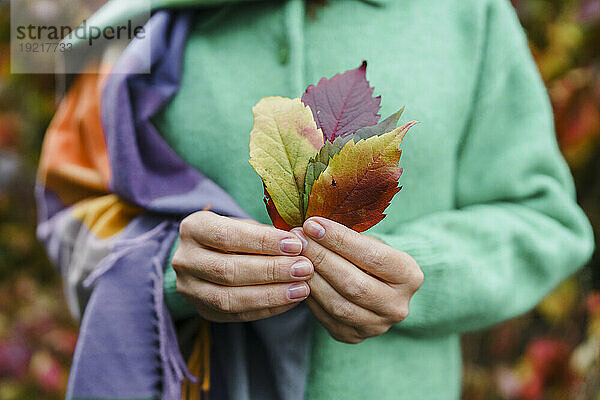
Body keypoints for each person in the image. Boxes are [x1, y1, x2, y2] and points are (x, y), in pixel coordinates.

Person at [37, 0, 594, 399]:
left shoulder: (470, 15)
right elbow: (69, 213)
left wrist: (423, 272)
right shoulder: (134, 22)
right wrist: (161, 271)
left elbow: (543, 219)